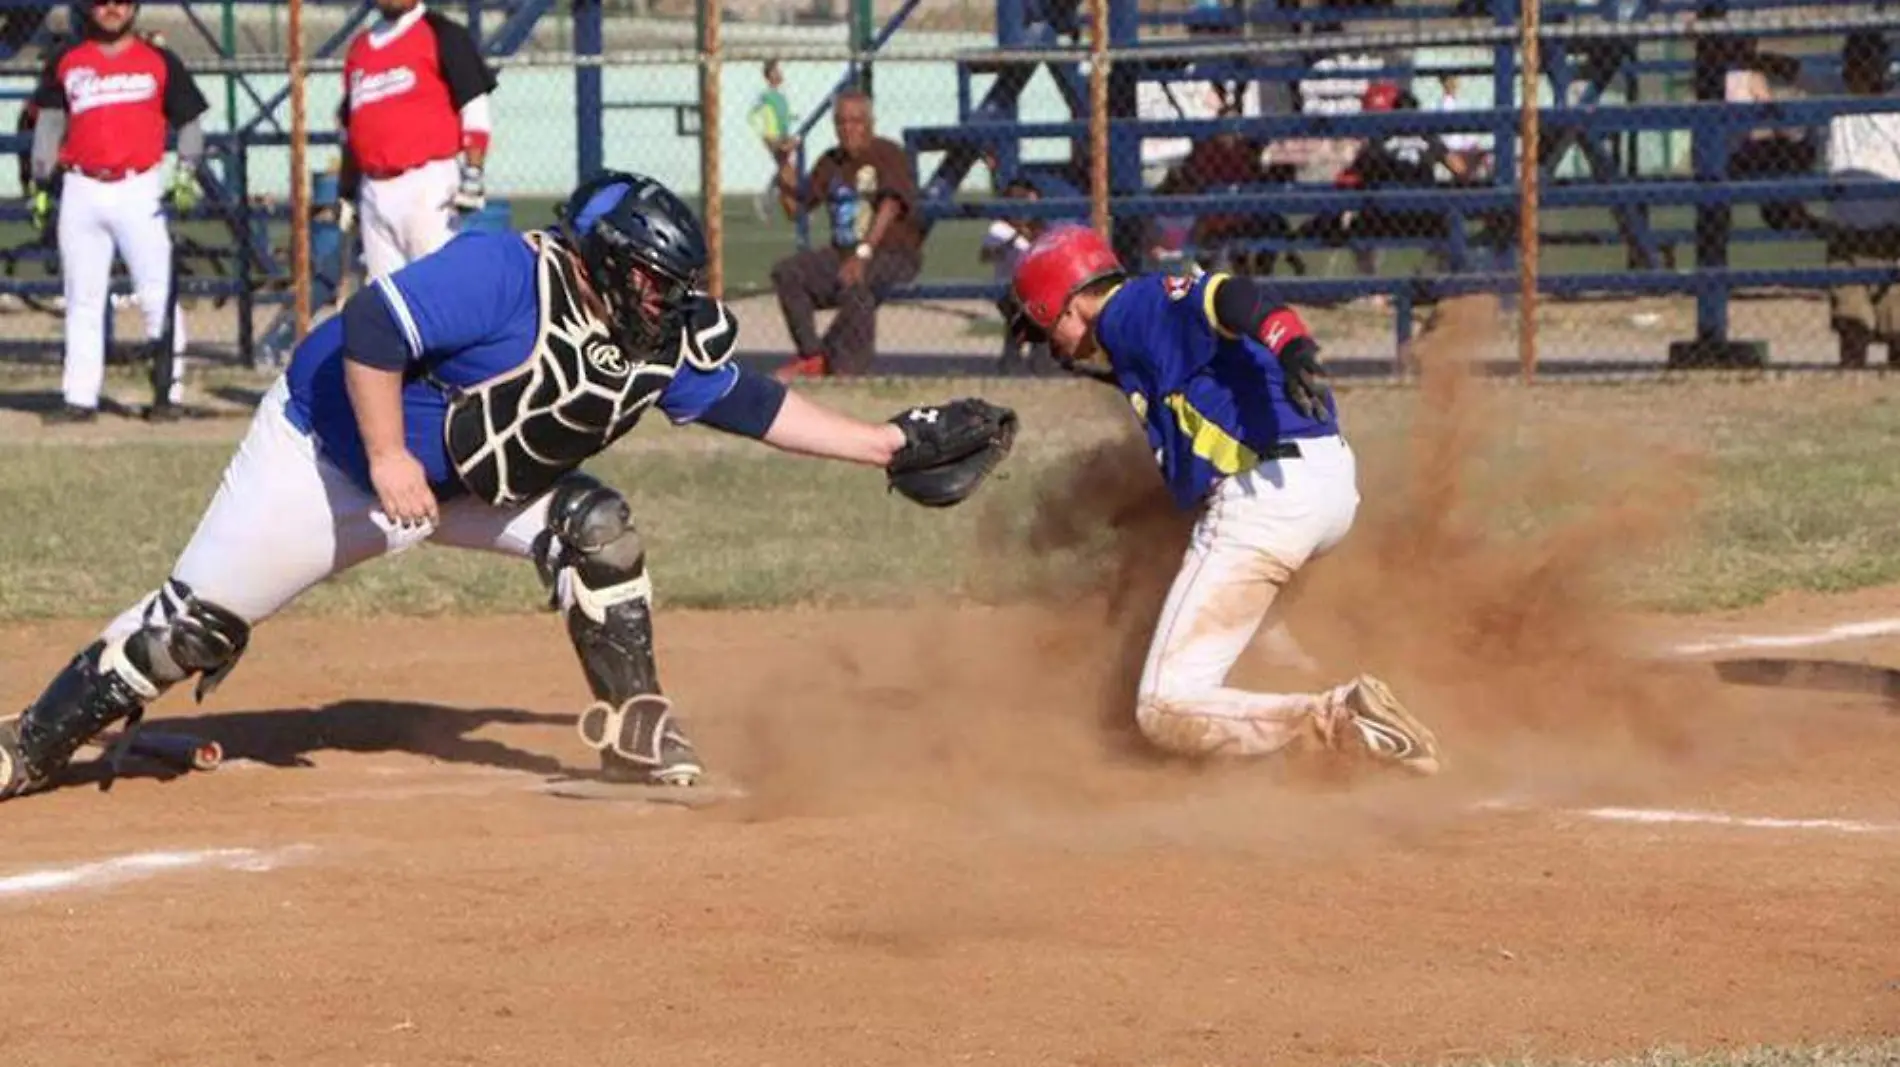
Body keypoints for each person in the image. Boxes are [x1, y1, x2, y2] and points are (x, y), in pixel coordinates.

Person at [0, 170, 1016, 804]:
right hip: (328, 455)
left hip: (461, 480)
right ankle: (32, 745)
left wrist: (883, 443)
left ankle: (635, 726)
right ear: (604, 264)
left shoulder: (642, 332)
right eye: (653, 280)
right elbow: (368, 332)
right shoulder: (501, 274)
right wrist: (389, 458)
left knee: (597, 527)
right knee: (186, 635)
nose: (667, 300)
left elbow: (747, 404)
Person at [1001, 225, 1442, 774]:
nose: (1051, 349)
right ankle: (1344, 728)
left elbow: (1229, 295)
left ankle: (1340, 719)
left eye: (1043, 332)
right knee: (1258, 644)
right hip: (1323, 486)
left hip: (1267, 499)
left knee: (1164, 707)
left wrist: (1292, 341)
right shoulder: (1132, 339)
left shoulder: (1132, 309)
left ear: (1059, 306)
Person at [28, 0, 206, 423]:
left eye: (121, 1)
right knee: (82, 297)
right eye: (101, 1)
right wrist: (40, 179)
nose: (111, 8)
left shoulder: (159, 60)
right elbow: (50, 122)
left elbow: (189, 120)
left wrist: (186, 170)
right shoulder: (67, 60)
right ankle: (79, 396)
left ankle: (167, 392)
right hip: (81, 187)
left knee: (157, 293)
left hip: (138, 186)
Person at [768, 88, 923, 380]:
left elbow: (891, 205)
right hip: (842, 252)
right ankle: (813, 357)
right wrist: (782, 165)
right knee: (787, 272)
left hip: (892, 253)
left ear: (870, 123)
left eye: (856, 121)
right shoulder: (831, 162)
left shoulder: (887, 153)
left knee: (856, 286)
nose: (848, 128)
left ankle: (848, 371)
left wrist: (863, 253)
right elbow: (797, 209)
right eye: (841, 122)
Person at [337, 0, 497, 280]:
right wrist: (348, 190)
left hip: (426, 183)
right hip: (373, 189)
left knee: (438, 289)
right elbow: (352, 128)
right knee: (387, 299)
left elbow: (474, 106)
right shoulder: (360, 48)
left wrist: (474, 172)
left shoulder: (441, 33)